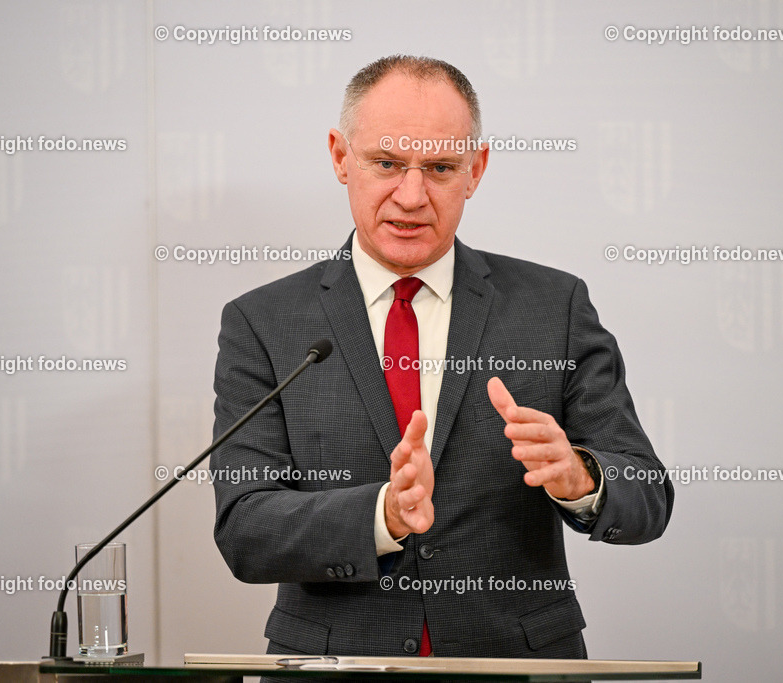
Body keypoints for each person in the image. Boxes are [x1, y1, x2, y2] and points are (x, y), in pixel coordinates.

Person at [210, 55, 673, 660]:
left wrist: (581, 476)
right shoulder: (263, 321)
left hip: (517, 664)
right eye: (386, 163)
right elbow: (245, 527)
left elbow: (648, 496)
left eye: (440, 168)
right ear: (340, 157)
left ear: (475, 170)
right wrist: (383, 514)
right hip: (334, 667)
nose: (412, 196)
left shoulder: (553, 307)